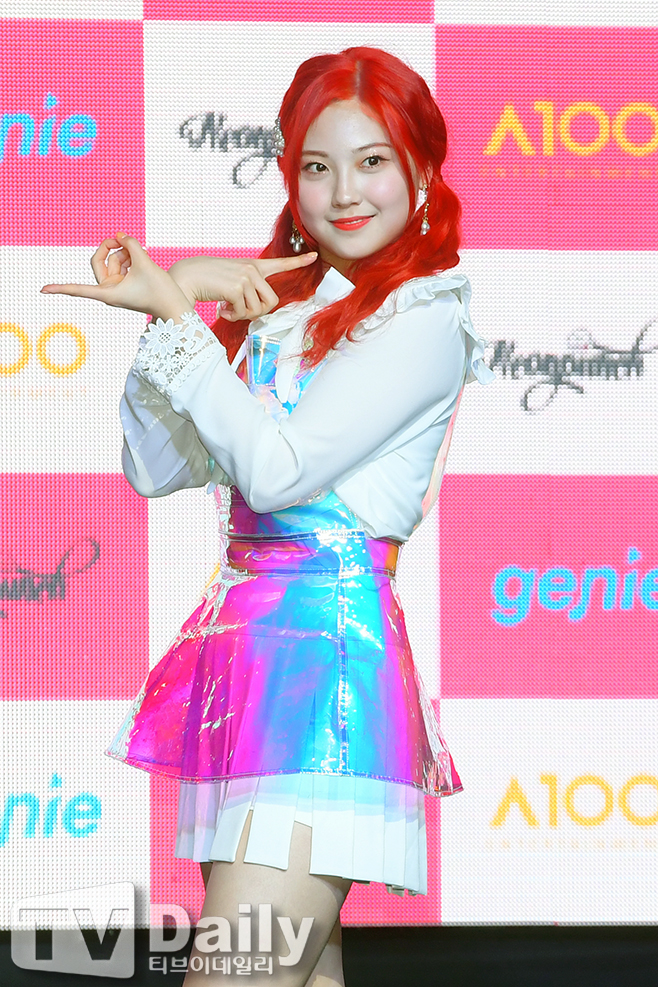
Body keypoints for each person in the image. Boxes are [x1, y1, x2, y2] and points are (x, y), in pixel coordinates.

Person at [42, 46, 492, 987]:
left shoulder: (423, 318)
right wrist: (187, 305)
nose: (344, 191)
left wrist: (179, 312)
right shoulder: (286, 307)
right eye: (317, 166)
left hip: (322, 678)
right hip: (246, 669)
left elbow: (279, 473)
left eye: (372, 160)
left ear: (420, 171)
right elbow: (155, 466)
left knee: (240, 973)